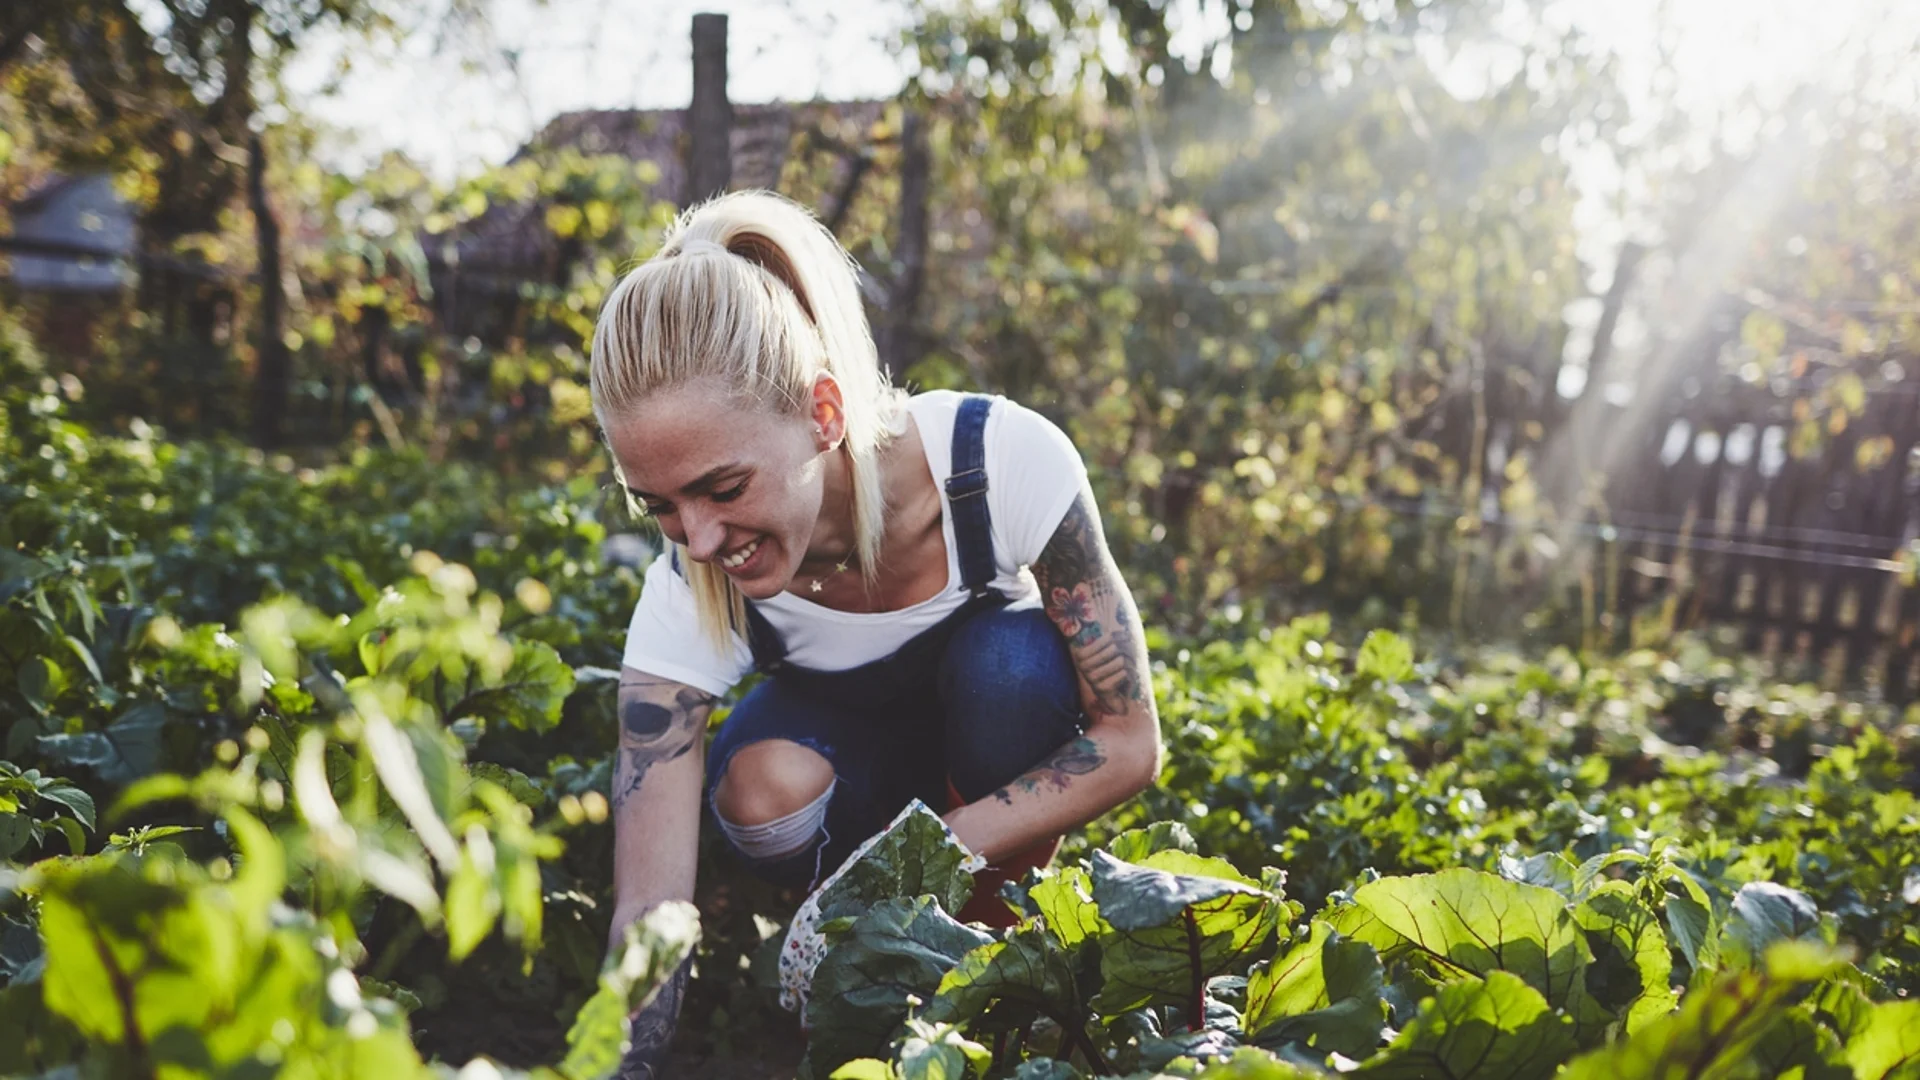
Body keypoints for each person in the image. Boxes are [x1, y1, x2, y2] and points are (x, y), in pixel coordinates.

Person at [590, 190, 1162, 1078]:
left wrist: (913, 863)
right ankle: (845, 965)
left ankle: (981, 955)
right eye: (657, 505)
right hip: (850, 765)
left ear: (823, 413)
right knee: (760, 793)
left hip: (987, 763)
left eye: (724, 488)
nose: (698, 539)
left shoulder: (997, 462)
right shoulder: (686, 581)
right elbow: (649, 908)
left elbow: (1129, 742)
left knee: (1010, 672)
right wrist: (617, 1068)